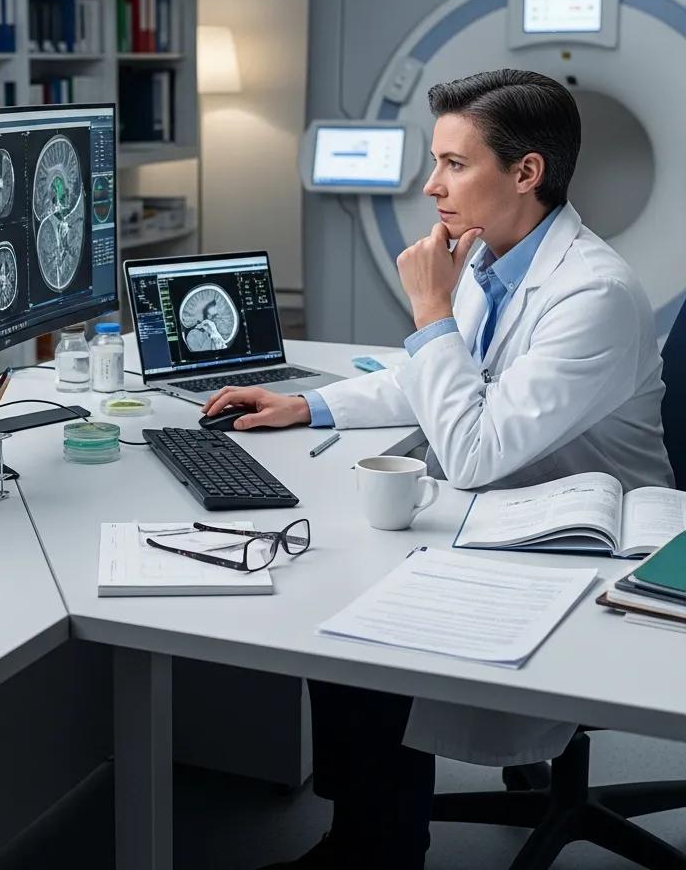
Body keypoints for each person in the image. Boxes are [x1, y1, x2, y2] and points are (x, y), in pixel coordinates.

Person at [203, 69, 674, 869]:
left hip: (590, 545)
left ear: (526, 173)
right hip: (508, 504)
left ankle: (378, 848)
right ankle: (367, 827)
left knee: (362, 617)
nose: (431, 186)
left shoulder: (592, 293)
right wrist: (307, 407)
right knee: (343, 578)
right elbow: (439, 379)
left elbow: (475, 445)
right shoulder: (495, 258)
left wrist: (428, 311)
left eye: (455, 164)